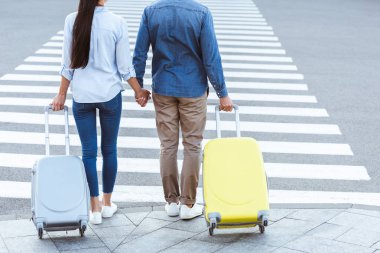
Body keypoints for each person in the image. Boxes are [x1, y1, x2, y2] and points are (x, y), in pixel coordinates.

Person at [51, 0, 150, 225]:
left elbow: (67, 64)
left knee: (88, 152)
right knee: (109, 149)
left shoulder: (72, 21)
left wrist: (61, 94)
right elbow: (124, 67)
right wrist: (139, 91)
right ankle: (107, 204)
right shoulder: (117, 22)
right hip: (109, 95)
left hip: (82, 97)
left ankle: (94, 207)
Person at [133, 0, 233, 220]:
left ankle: (171, 202)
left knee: (167, 145)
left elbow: (139, 53)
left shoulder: (151, 12)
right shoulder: (201, 13)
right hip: (193, 88)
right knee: (192, 145)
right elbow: (211, 57)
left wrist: (139, 87)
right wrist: (222, 92)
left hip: (163, 87)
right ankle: (188, 204)